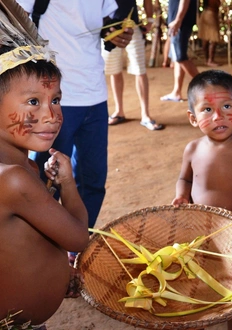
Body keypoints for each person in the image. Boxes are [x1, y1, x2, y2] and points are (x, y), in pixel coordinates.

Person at [0, 1, 89, 327]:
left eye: (56, 100)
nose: (51, 116)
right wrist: (68, 184)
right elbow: (78, 238)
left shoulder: (24, 169)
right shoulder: (13, 180)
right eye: (33, 102)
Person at [17, 0, 133, 229]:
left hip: (95, 94)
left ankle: (78, 244)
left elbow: (107, 25)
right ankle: (42, 244)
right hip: (54, 98)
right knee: (42, 180)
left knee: (93, 180)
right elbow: (16, 21)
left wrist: (117, 35)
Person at [172, 70, 232, 330]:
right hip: (200, 231)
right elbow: (185, 180)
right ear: (193, 118)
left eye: (227, 106)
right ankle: (201, 321)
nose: (218, 116)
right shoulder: (192, 150)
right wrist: (181, 195)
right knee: (198, 279)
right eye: (207, 109)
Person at [105, 0, 164, 131]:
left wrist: (149, 20)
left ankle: (145, 115)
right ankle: (119, 111)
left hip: (132, 25)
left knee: (140, 70)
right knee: (114, 70)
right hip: (109, 28)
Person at [160, 0, 199, 102]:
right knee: (177, 58)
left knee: (180, 57)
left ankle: (206, 86)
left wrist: (178, 20)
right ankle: (176, 92)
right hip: (179, 21)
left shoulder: (180, 21)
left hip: (181, 22)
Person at [197, 0, 221, 67]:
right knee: (213, 38)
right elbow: (216, 4)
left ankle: (207, 59)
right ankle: (210, 60)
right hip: (211, 15)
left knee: (205, 38)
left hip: (205, 14)